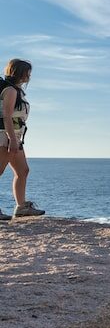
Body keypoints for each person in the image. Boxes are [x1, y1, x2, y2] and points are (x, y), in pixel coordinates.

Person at [0, 59, 44, 219]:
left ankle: (21, 207)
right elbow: (6, 116)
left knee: (23, 171)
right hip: (6, 137)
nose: (29, 76)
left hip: (14, 137)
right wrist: (11, 139)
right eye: (27, 72)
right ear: (19, 72)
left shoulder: (15, 90)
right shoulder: (11, 91)